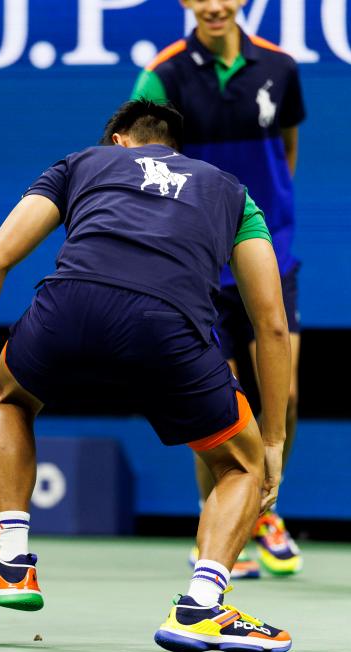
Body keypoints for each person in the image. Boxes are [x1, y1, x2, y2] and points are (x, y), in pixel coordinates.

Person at [0, 100, 293, 652]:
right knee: (241, 464)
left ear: (118, 141)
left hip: (69, 311)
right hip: (168, 329)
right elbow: (271, 325)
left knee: (10, 397)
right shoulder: (229, 192)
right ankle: (202, 604)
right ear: (175, 149)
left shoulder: (81, 163)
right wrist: (272, 439)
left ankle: (11, 561)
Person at [132, 0, 305, 578]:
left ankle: (261, 511)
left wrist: (263, 220)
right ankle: (217, 521)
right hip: (198, 257)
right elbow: (138, 161)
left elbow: (286, 151)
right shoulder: (164, 73)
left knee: (286, 394)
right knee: (219, 402)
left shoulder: (280, 67)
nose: (213, 5)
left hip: (268, 245)